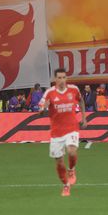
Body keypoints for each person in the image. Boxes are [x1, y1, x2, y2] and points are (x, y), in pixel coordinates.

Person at [39, 68, 87, 197]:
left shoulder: (74, 89)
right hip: (56, 132)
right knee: (59, 161)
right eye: (59, 78)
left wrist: (84, 117)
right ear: (55, 79)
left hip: (72, 127)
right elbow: (40, 111)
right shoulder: (49, 93)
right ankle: (66, 185)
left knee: (72, 151)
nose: (61, 80)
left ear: (66, 78)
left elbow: (81, 100)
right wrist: (44, 107)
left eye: (64, 77)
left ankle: (71, 170)